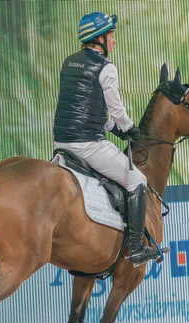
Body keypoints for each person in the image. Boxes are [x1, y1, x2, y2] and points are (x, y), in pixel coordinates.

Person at [53, 12, 159, 266]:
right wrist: (129, 127)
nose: (113, 41)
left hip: (62, 145)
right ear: (99, 38)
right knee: (137, 180)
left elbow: (84, 106)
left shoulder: (69, 62)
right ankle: (135, 250)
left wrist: (111, 127)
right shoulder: (106, 68)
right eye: (111, 35)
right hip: (88, 145)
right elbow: (117, 109)